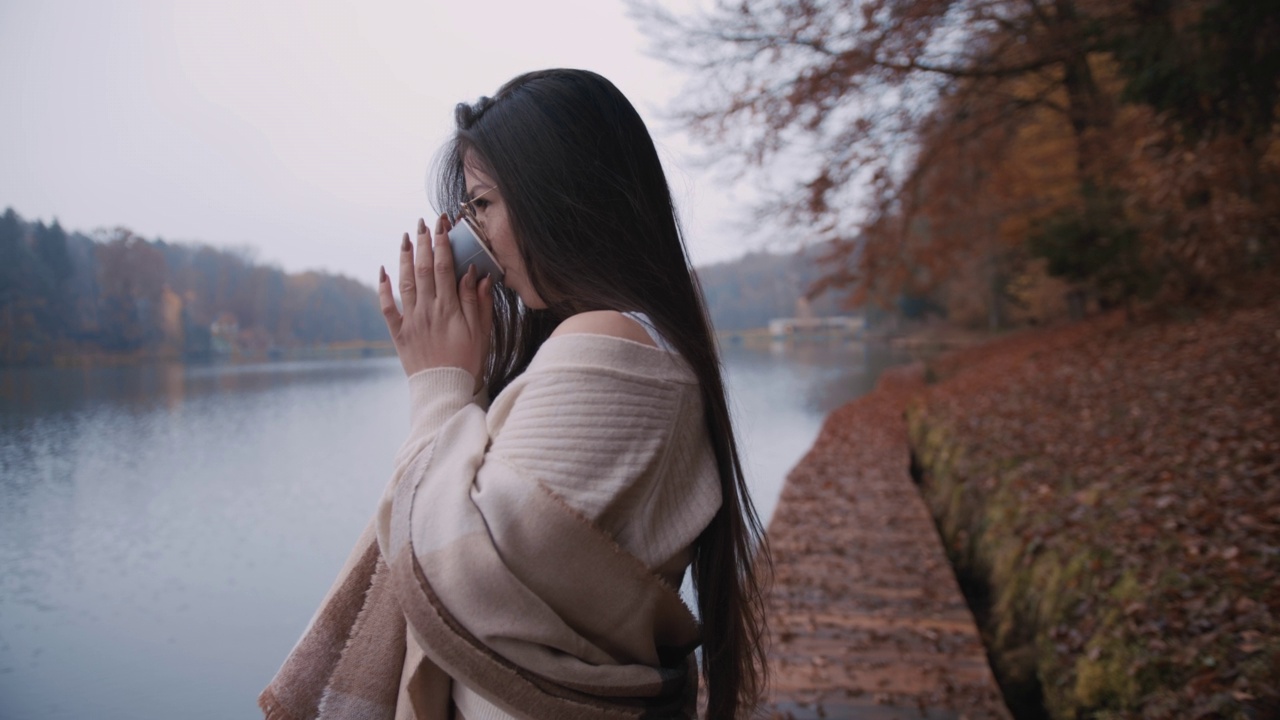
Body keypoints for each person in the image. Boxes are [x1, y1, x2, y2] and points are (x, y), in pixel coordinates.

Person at [260, 69, 768, 720]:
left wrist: (438, 386)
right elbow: (529, 567)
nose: (474, 238)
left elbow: (462, 578)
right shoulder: (644, 338)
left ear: (559, 198)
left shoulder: (606, 340)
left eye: (483, 204)